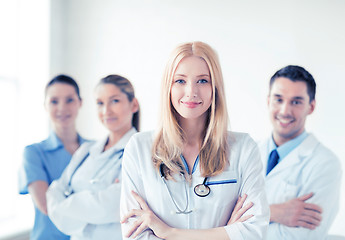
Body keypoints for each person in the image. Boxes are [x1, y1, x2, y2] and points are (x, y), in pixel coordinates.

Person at [120, 41, 269, 240]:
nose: (191, 91)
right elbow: (135, 235)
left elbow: (254, 231)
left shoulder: (243, 148)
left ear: (215, 87)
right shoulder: (138, 147)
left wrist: (169, 233)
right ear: (168, 87)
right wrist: (227, 233)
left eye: (202, 81)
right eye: (180, 81)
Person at [46, 74, 140, 239]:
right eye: (100, 103)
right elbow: (54, 190)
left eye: (115, 101)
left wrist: (67, 203)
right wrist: (88, 205)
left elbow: (110, 206)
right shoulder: (86, 150)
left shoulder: (141, 153)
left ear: (133, 105)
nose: (106, 111)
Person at [258, 65, 342, 239]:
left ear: (311, 107)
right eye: (278, 99)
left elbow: (300, 237)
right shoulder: (249, 151)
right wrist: (272, 212)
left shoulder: (325, 164)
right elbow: (220, 218)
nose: (285, 111)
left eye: (296, 102)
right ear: (268, 101)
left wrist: (244, 226)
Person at [18, 74, 87, 240]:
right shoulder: (33, 153)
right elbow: (47, 205)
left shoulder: (94, 150)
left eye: (69, 100)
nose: (62, 108)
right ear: (45, 105)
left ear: (80, 103)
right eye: (54, 101)